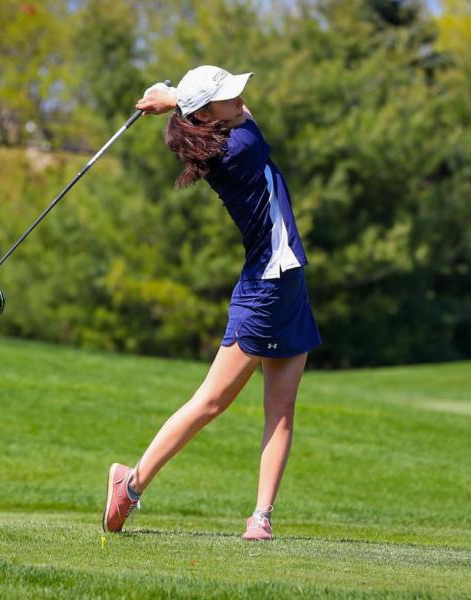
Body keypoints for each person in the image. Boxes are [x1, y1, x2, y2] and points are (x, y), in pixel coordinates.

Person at [102, 65, 321, 541]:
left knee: (281, 411)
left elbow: (240, 112)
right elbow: (245, 120)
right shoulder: (236, 149)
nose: (241, 99)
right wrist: (176, 98)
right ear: (206, 116)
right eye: (228, 96)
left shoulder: (231, 129)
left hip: (288, 284)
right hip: (265, 286)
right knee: (211, 401)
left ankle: (260, 517)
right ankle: (130, 485)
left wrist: (174, 98)